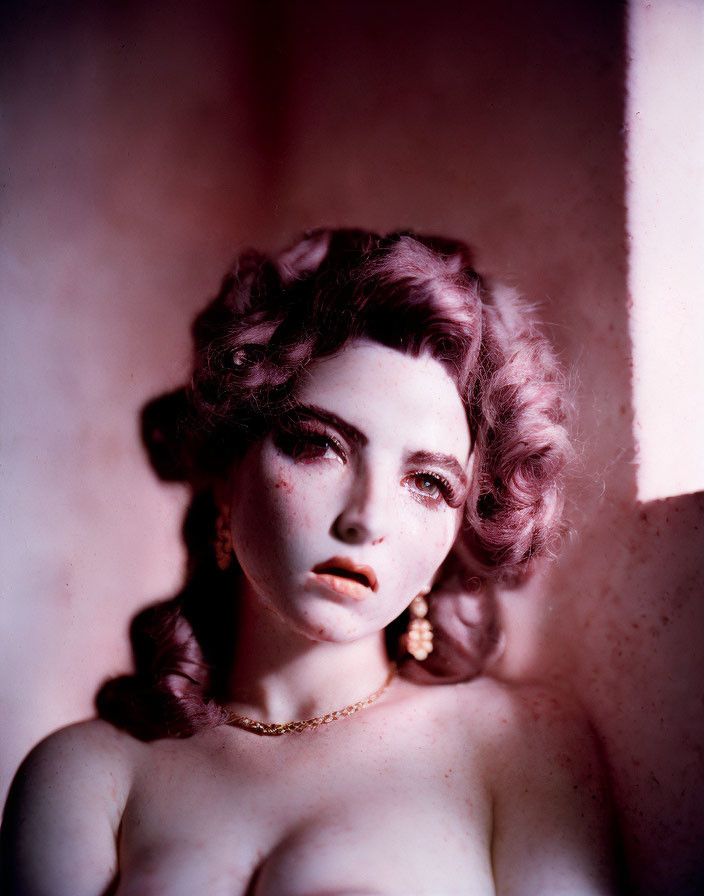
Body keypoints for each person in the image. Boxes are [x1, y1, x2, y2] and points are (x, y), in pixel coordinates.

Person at [1, 229, 618, 895]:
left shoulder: (518, 747)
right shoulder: (86, 775)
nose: (365, 520)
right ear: (227, 470)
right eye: (318, 445)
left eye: (430, 484)